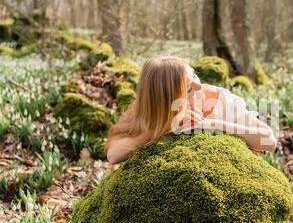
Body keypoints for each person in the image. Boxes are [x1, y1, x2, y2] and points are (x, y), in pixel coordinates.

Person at [106, 56, 277, 165]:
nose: (199, 85)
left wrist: (211, 124)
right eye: (188, 88)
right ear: (167, 99)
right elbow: (113, 155)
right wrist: (166, 126)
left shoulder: (219, 99)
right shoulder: (149, 110)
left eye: (194, 75)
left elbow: (269, 141)